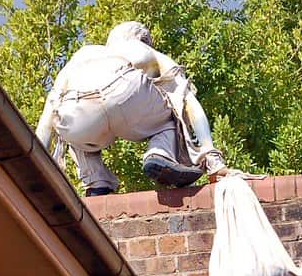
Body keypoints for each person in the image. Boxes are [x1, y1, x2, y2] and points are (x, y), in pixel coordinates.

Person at [35, 21, 228, 196]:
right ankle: (160, 153)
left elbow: (50, 111)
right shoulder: (141, 48)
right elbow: (187, 100)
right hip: (125, 90)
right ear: (142, 38)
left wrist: (34, 162)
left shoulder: (83, 54)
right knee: (173, 106)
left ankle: (97, 182)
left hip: (78, 111)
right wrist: (211, 156)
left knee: (71, 130)